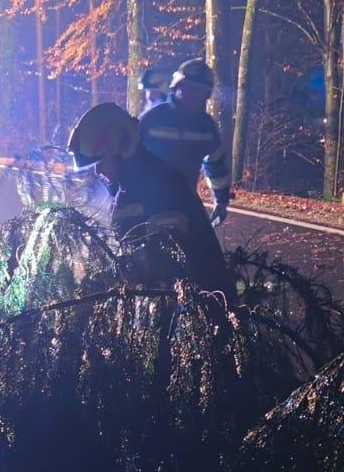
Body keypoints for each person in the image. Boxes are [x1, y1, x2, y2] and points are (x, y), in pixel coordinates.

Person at [68, 102, 234, 295]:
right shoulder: (127, 185)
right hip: (176, 298)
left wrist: (107, 279)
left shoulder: (159, 185)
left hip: (199, 300)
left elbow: (163, 262)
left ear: (122, 147)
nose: (98, 170)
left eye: (100, 161)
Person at [138, 57, 232, 227]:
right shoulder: (152, 119)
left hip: (185, 202)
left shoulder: (206, 127)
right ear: (176, 86)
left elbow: (216, 165)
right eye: (188, 87)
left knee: (204, 242)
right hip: (147, 202)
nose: (193, 94)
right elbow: (129, 155)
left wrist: (221, 201)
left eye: (199, 90)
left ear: (207, 94)